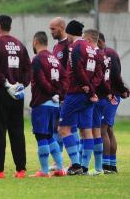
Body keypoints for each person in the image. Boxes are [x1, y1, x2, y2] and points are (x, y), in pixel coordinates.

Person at [0, 15, 31, 179]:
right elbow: (28, 68)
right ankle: (21, 169)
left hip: (0, 92)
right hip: (17, 95)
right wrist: (21, 85)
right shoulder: (20, 45)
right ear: (10, 26)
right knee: (17, 130)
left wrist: (6, 84)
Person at [58, 20, 99, 175]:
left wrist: (87, 88)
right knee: (85, 130)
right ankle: (85, 167)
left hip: (75, 93)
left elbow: (77, 70)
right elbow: (98, 72)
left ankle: (75, 165)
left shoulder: (74, 47)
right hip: (88, 95)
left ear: (69, 32)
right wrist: (92, 90)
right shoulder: (91, 48)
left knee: (63, 129)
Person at [29, 31, 66, 177]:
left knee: (41, 135)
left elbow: (40, 80)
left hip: (42, 103)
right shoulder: (54, 59)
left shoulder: (37, 59)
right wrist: (59, 94)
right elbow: (65, 79)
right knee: (50, 135)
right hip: (54, 105)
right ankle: (60, 168)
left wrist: (51, 93)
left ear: (35, 42)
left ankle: (44, 171)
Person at [49, 17, 80, 169]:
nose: (51, 32)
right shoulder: (56, 47)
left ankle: (76, 160)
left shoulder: (69, 45)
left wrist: (65, 92)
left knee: (69, 127)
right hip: (57, 94)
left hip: (67, 94)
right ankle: (58, 161)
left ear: (61, 27)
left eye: (53, 29)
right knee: (58, 126)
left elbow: (71, 72)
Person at [98, 33, 129, 173]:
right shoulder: (105, 53)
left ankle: (106, 166)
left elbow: (116, 75)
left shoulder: (109, 53)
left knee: (103, 128)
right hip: (111, 95)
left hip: (111, 96)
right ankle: (112, 165)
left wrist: (122, 90)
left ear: (99, 41)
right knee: (108, 129)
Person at [83, 29, 110, 175]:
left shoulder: (94, 54)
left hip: (96, 97)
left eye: (83, 39)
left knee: (93, 131)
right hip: (102, 96)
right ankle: (91, 166)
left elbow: (98, 77)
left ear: (88, 39)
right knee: (93, 131)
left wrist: (92, 90)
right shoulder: (103, 55)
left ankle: (96, 167)